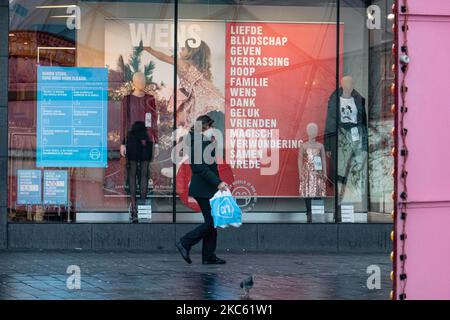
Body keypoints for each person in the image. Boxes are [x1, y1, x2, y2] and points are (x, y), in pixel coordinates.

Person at [175, 115, 229, 265]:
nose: (213, 129)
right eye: (211, 126)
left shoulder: (200, 141)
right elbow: (200, 168)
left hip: (206, 188)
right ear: (204, 127)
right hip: (204, 189)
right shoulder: (198, 143)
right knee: (212, 222)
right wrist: (218, 183)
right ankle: (185, 242)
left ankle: (208, 256)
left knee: (211, 221)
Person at [120, 72, 159, 223]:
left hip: (146, 140)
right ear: (133, 82)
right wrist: (122, 142)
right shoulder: (127, 99)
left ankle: (142, 206)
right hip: (131, 140)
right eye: (138, 79)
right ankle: (134, 206)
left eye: (143, 79)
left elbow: (154, 121)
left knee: (144, 172)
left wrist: (156, 141)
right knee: (132, 171)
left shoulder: (150, 99)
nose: (142, 82)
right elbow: (124, 120)